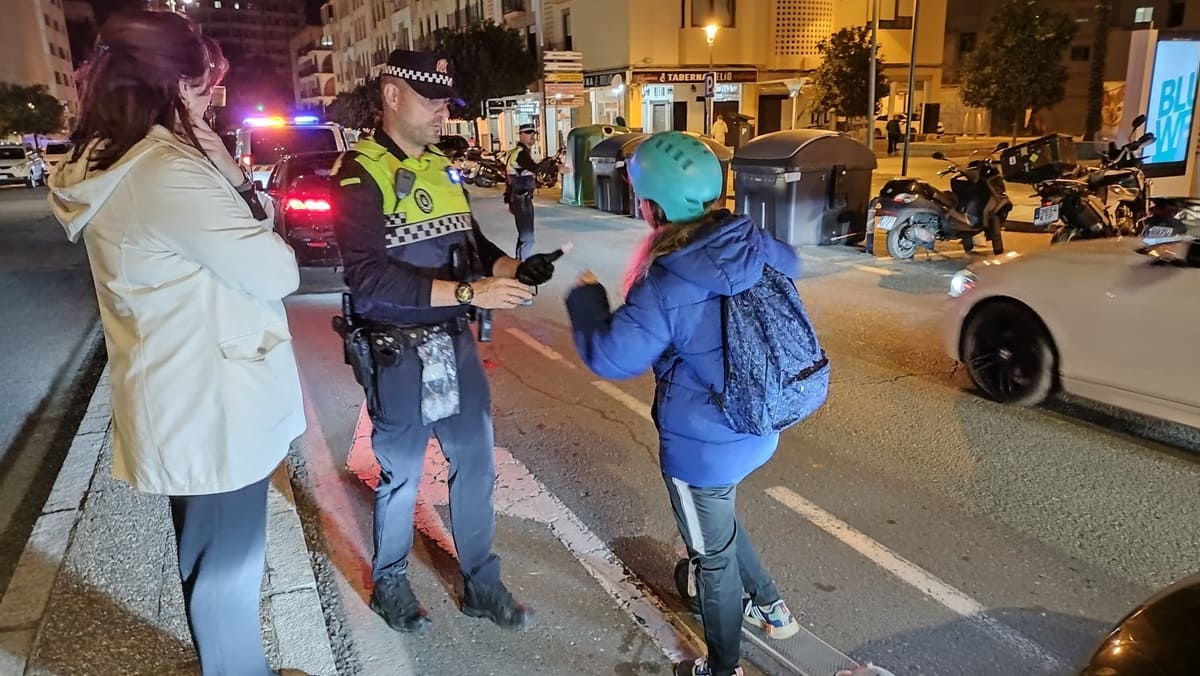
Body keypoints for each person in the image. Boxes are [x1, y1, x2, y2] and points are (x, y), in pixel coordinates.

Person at [47, 10, 306, 676]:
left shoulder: (116, 158)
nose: (210, 99)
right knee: (227, 570)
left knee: (211, 560)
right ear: (173, 84)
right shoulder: (166, 171)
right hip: (214, 406)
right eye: (203, 85)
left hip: (185, 390)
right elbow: (277, 270)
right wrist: (232, 173)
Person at [331, 49, 563, 634]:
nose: (442, 114)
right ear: (391, 95)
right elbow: (370, 279)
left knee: (476, 465)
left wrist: (510, 267)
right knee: (403, 472)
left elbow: (470, 242)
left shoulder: (439, 164)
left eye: (445, 104)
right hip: (396, 348)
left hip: (452, 343)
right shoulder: (360, 173)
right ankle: (389, 583)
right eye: (432, 100)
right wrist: (470, 294)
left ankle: (482, 585)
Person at [564, 131, 801, 676]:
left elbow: (611, 355)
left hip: (704, 445)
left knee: (711, 558)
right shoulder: (749, 240)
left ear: (652, 205)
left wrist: (586, 298)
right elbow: (796, 267)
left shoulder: (670, 276)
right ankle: (771, 607)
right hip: (760, 422)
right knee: (719, 520)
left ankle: (722, 669)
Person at [505, 123, 540, 261]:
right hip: (521, 199)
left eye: (533, 133)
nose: (532, 136)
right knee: (528, 238)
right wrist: (556, 168)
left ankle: (519, 263)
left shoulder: (518, 152)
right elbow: (534, 168)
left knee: (524, 236)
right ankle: (522, 267)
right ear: (521, 135)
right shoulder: (520, 154)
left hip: (518, 198)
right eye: (528, 133)